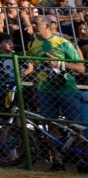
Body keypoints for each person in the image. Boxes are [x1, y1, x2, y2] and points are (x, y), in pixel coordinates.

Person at [27, 15, 86, 170]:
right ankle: (57, 160)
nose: (33, 26)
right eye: (33, 23)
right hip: (45, 91)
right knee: (50, 125)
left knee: (75, 125)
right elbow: (33, 65)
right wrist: (27, 74)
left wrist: (60, 63)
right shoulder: (32, 43)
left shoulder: (63, 43)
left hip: (67, 90)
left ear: (47, 26)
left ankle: (81, 160)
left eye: (37, 24)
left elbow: (81, 68)